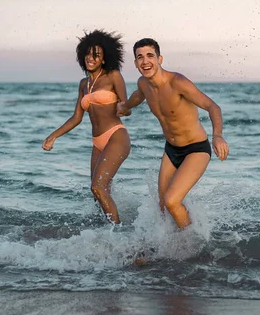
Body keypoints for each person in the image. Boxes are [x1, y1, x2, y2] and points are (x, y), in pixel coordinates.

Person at [117, 38, 229, 229]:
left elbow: (212, 106)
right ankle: (168, 247)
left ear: (160, 58)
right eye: (140, 57)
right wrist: (125, 106)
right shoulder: (144, 83)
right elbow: (138, 95)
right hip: (171, 150)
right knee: (163, 205)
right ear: (136, 64)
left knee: (172, 201)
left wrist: (217, 135)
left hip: (196, 149)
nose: (145, 61)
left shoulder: (177, 82)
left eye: (150, 56)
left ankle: (193, 243)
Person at [42, 30, 130, 224]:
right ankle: (106, 232)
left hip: (116, 136)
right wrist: (53, 136)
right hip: (97, 142)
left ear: (104, 59)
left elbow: (126, 104)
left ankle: (120, 236)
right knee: (98, 193)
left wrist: (124, 108)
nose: (91, 58)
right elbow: (76, 117)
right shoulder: (83, 84)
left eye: (96, 55)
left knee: (97, 187)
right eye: (88, 54)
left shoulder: (113, 76)